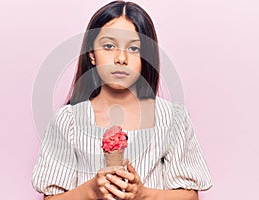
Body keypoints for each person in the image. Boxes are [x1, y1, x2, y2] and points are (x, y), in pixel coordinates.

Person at [32, 1, 212, 200]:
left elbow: (190, 197)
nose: (121, 58)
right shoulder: (68, 121)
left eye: (134, 49)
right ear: (92, 55)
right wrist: (90, 191)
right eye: (109, 46)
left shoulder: (172, 119)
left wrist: (143, 194)